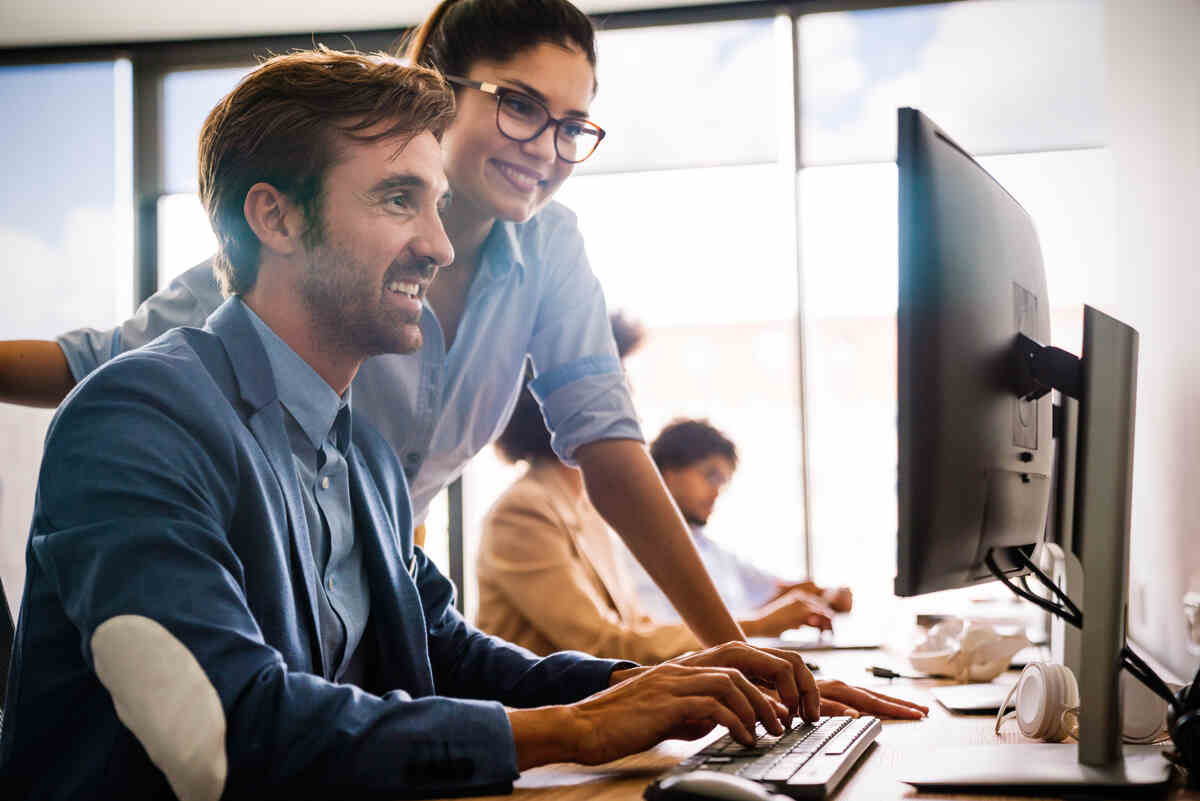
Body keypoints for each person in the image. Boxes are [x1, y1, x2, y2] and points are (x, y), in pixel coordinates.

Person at [0, 49, 898, 801]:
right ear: (274, 216)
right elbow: (222, 727)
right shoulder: (140, 417)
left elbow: (443, 650)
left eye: (434, 203)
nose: (437, 244)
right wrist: (578, 729)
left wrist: (656, 688)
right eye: (399, 201)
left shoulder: (361, 453)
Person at [0, 0, 742, 648]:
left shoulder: (550, 250)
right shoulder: (309, 246)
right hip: (271, 593)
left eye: (572, 125)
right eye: (519, 104)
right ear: (441, 92)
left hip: (386, 585)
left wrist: (729, 651)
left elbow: (605, 441)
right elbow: (94, 364)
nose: (547, 148)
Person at [476, 319, 841, 667]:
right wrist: (755, 628)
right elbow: (603, 644)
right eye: (612, 381)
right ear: (551, 403)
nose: (626, 395)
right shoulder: (523, 512)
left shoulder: (588, 507)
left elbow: (641, 627)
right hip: (548, 720)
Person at [631, 419, 854, 623]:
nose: (717, 491)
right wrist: (761, 625)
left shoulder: (710, 549)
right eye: (710, 476)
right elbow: (660, 636)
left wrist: (826, 595)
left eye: (723, 482)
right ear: (669, 471)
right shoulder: (633, 549)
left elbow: (777, 590)